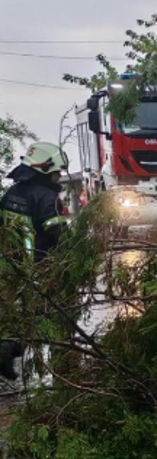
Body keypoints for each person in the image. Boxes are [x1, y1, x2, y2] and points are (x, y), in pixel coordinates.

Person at [0, 142, 70, 380]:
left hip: (11, 267)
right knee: (59, 315)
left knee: (14, 314)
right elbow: (55, 233)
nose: (59, 177)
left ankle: (6, 348)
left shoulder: (11, 193)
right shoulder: (46, 197)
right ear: (44, 170)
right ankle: (65, 367)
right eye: (56, 172)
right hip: (40, 267)